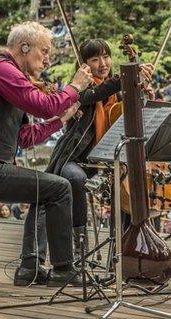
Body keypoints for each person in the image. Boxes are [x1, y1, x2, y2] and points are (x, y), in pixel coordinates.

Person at [0, 21, 91, 286]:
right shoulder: (1, 69)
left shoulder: (13, 79)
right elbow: (45, 106)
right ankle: (63, 270)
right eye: (44, 51)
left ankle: (30, 267)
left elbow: (24, 137)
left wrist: (61, 120)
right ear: (24, 46)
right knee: (59, 188)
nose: (47, 59)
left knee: (45, 186)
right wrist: (75, 86)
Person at [29, 39, 154, 264]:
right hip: (76, 159)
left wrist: (141, 91)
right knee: (74, 178)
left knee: (128, 182)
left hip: (108, 161)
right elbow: (93, 95)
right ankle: (79, 245)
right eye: (95, 59)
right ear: (84, 64)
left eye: (106, 57)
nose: (102, 63)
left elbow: (132, 115)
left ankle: (127, 245)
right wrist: (125, 77)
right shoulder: (79, 89)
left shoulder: (118, 92)